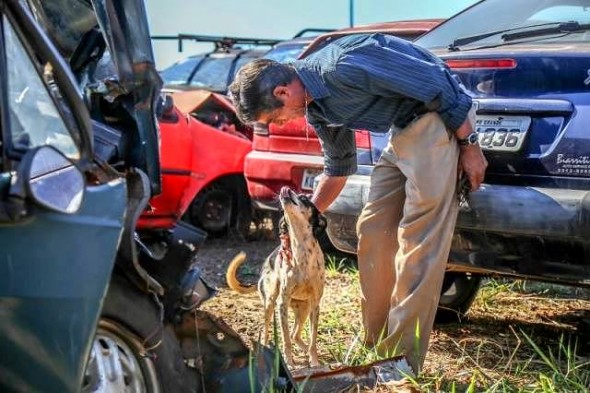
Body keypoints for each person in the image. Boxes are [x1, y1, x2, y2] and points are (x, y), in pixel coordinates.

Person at [229, 32, 487, 373]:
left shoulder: (341, 68)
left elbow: (437, 82)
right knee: (374, 230)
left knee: (418, 241)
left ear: (282, 92)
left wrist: (469, 145)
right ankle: (375, 344)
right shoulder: (315, 107)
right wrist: (303, 221)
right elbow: (338, 169)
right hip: (402, 132)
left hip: (435, 124)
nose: (281, 124)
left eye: (275, 118)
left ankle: (401, 359)